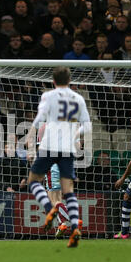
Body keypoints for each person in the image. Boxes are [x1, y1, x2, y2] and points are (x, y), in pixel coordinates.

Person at [26, 66, 91, 248]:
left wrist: (30, 138)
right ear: (69, 80)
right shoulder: (78, 98)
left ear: (53, 81)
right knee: (68, 191)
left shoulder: (48, 96)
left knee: (33, 181)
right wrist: (74, 136)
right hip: (67, 149)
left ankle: (49, 209)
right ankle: (75, 227)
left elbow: (39, 119)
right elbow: (87, 126)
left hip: (48, 147)